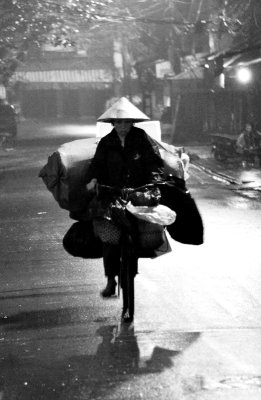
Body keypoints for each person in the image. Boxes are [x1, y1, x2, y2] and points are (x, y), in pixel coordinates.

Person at [85, 97, 164, 297]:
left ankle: (130, 274)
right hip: (111, 194)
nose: (122, 125)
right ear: (113, 124)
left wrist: (155, 180)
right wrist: (93, 179)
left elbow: (154, 163)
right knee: (110, 239)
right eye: (118, 122)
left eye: (126, 122)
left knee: (136, 236)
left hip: (137, 194)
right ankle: (111, 280)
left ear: (132, 123)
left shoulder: (141, 138)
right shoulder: (106, 142)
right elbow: (96, 165)